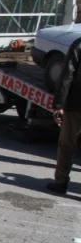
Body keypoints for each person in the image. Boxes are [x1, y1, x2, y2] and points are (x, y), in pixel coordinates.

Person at [48, 36, 81, 195]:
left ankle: (61, 182)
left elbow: (67, 74)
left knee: (67, 144)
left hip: (76, 104)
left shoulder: (79, 44)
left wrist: (59, 105)